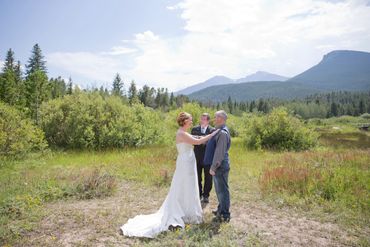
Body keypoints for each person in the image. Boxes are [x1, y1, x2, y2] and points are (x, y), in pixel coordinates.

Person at [120, 112, 219, 238]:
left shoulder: (184, 132)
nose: (192, 121)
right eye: (190, 120)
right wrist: (213, 134)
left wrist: (207, 135)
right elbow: (198, 142)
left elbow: (197, 138)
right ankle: (181, 210)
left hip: (187, 161)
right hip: (185, 163)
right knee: (185, 185)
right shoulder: (181, 133)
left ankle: (186, 209)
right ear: (184, 121)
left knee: (188, 186)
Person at [204, 110, 232, 222]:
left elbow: (219, 153)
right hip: (219, 165)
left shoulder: (222, 133)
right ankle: (221, 209)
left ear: (221, 118)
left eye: (216, 117)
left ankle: (225, 214)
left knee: (223, 190)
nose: (214, 119)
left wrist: (213, 167)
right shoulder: (218, 130)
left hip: (220, 165)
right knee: (219, 189)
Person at [191, 113, 215, 204]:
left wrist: (200, 141)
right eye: (201, 119)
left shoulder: (212, 130)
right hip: (197, 157)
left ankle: (206, 195)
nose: (202, 121)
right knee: (197, 177)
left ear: (208, 121)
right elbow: (193, 141)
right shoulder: (194, 129)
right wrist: (203, 141)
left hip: (208, 158)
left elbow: (212, 144)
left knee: (208, 178)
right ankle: (199, 194)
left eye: (204, 119)